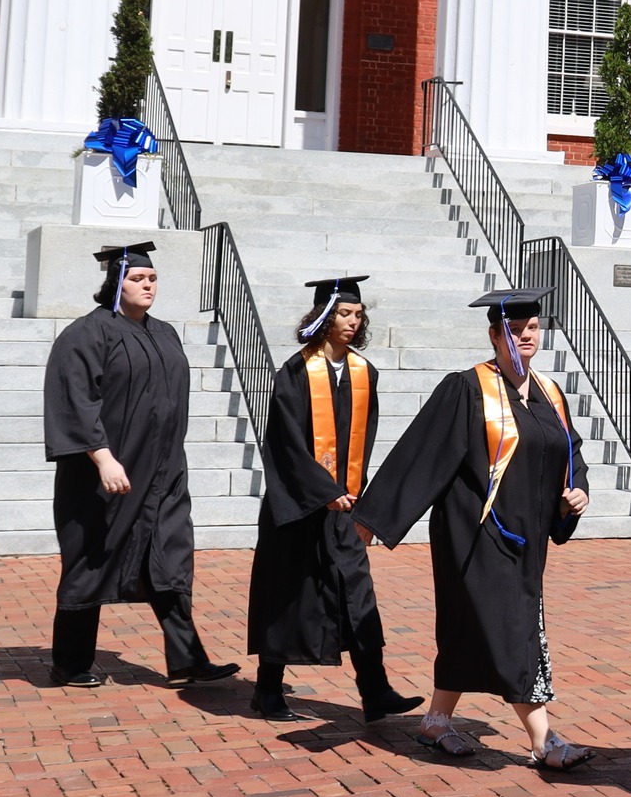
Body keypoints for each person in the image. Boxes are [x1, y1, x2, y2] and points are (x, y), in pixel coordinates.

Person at [351, 288, 593, 769]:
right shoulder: (467, 387)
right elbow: (420, 454)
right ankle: (544, 739)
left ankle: (436, 720)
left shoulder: (549, 392)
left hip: (527, 536)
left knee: (468, 629)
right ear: (494, 335)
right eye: (513, 330)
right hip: (474, 533)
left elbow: (568, 454)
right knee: (512, 627)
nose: (524, 336)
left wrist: (576, 495)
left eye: (532, 329)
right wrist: (373, 518)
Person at [43, 242, 237, 689]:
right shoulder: (86, 334)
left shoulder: (163, 332)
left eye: (152, 279)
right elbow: (75, 400)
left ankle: (187, 657)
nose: (148, 286)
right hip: (104, 476)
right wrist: (103, 457)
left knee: (169, 558)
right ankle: (70, 662)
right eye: (137, 279)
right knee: (92, 560)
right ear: (116, 283)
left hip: (164, 472)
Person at [245, 276, 421, 723]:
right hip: (299, 508)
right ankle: (266, 691)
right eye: (344, 313)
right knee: (289, 596)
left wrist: (355, 497)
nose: (352, 321)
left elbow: (366, 440)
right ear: (323, 318)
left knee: (358, 594)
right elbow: (284, 443)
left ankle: (375, 692)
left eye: (357, 314)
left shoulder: (365, 373)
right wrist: (323, 492)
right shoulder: (296, 372)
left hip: (345, 507)